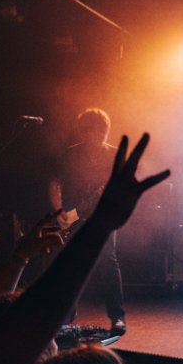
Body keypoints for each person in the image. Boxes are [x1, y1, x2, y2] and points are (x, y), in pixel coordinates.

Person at [49, 108, 126, 333]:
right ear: (84, 131)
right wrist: (58, 210)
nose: (98, 135)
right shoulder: (70, 154)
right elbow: (55, 181)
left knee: (108, 263)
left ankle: (117, 316)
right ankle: (67, 312)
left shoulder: (114, 155)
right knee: (70, 264)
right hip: (73, 216)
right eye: (93, 130)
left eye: (102, 130)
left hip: (104, 216)